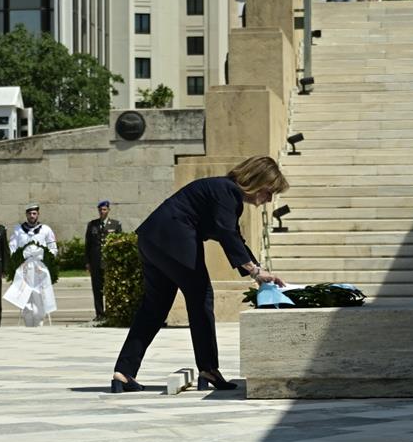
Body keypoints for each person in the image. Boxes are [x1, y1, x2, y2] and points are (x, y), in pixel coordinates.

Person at [110, 155, 289, 394]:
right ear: (257, 181)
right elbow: (227, 234)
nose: (268, 199)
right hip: (174, 238)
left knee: (154, 307)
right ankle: (208, 368)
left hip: (151, 239)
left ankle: (123, 372)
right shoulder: (229, 192)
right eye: (269, 192)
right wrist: (255, 271)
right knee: (201, 297)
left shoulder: (222, 190)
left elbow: (233, 236)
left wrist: (257, 269)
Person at [4, 203, 58, 327]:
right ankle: (28, 323)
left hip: (40, 270)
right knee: (25, 296)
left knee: (40, 296)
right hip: (24, 270)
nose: (32, 216)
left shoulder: (46, 229)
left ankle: (39, 323)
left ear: (38, 214)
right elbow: (12, 248)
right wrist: (15, 262)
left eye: (34, 213)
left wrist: (48, 260)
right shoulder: (18, 230)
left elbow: (53, 248)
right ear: (26, 215)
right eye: (29, 213)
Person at [84, 200, 123, 321]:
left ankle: (111, 313)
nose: (102, 212)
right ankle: (100, 314)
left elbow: (119, 243)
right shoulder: (92, 225)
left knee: (110, 288)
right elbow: (88, 245)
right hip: (95, 262)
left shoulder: (115, 225)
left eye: (104, 209)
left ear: (108, 210)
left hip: (109, 262)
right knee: (97, 288)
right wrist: (87, 262)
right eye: (100, 210)